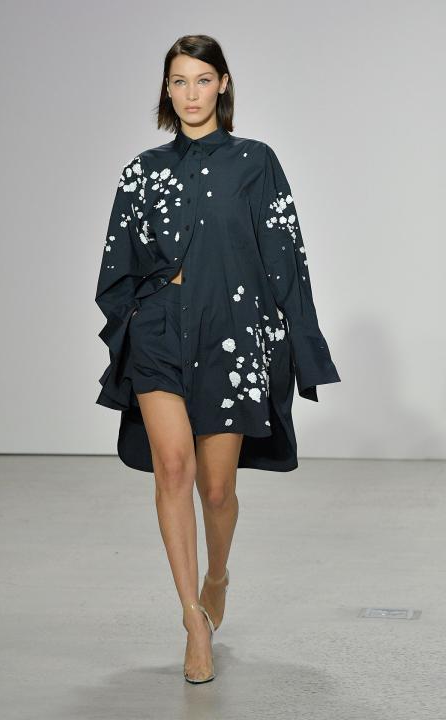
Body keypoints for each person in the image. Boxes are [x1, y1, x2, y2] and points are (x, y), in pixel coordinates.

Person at [95, 34, 341, 683]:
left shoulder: (256, 162)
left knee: (217, 487)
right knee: (172, 467)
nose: (191, 93)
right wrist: (138, 319)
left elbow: (286, 257)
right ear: (166, 89)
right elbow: (117, 265)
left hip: (230, 334)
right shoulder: (142, 171)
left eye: (203, 80)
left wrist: (304, 342)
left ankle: (218, 576)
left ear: (223, 85)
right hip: (158, 334)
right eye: (179, 81)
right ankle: (192, 621)